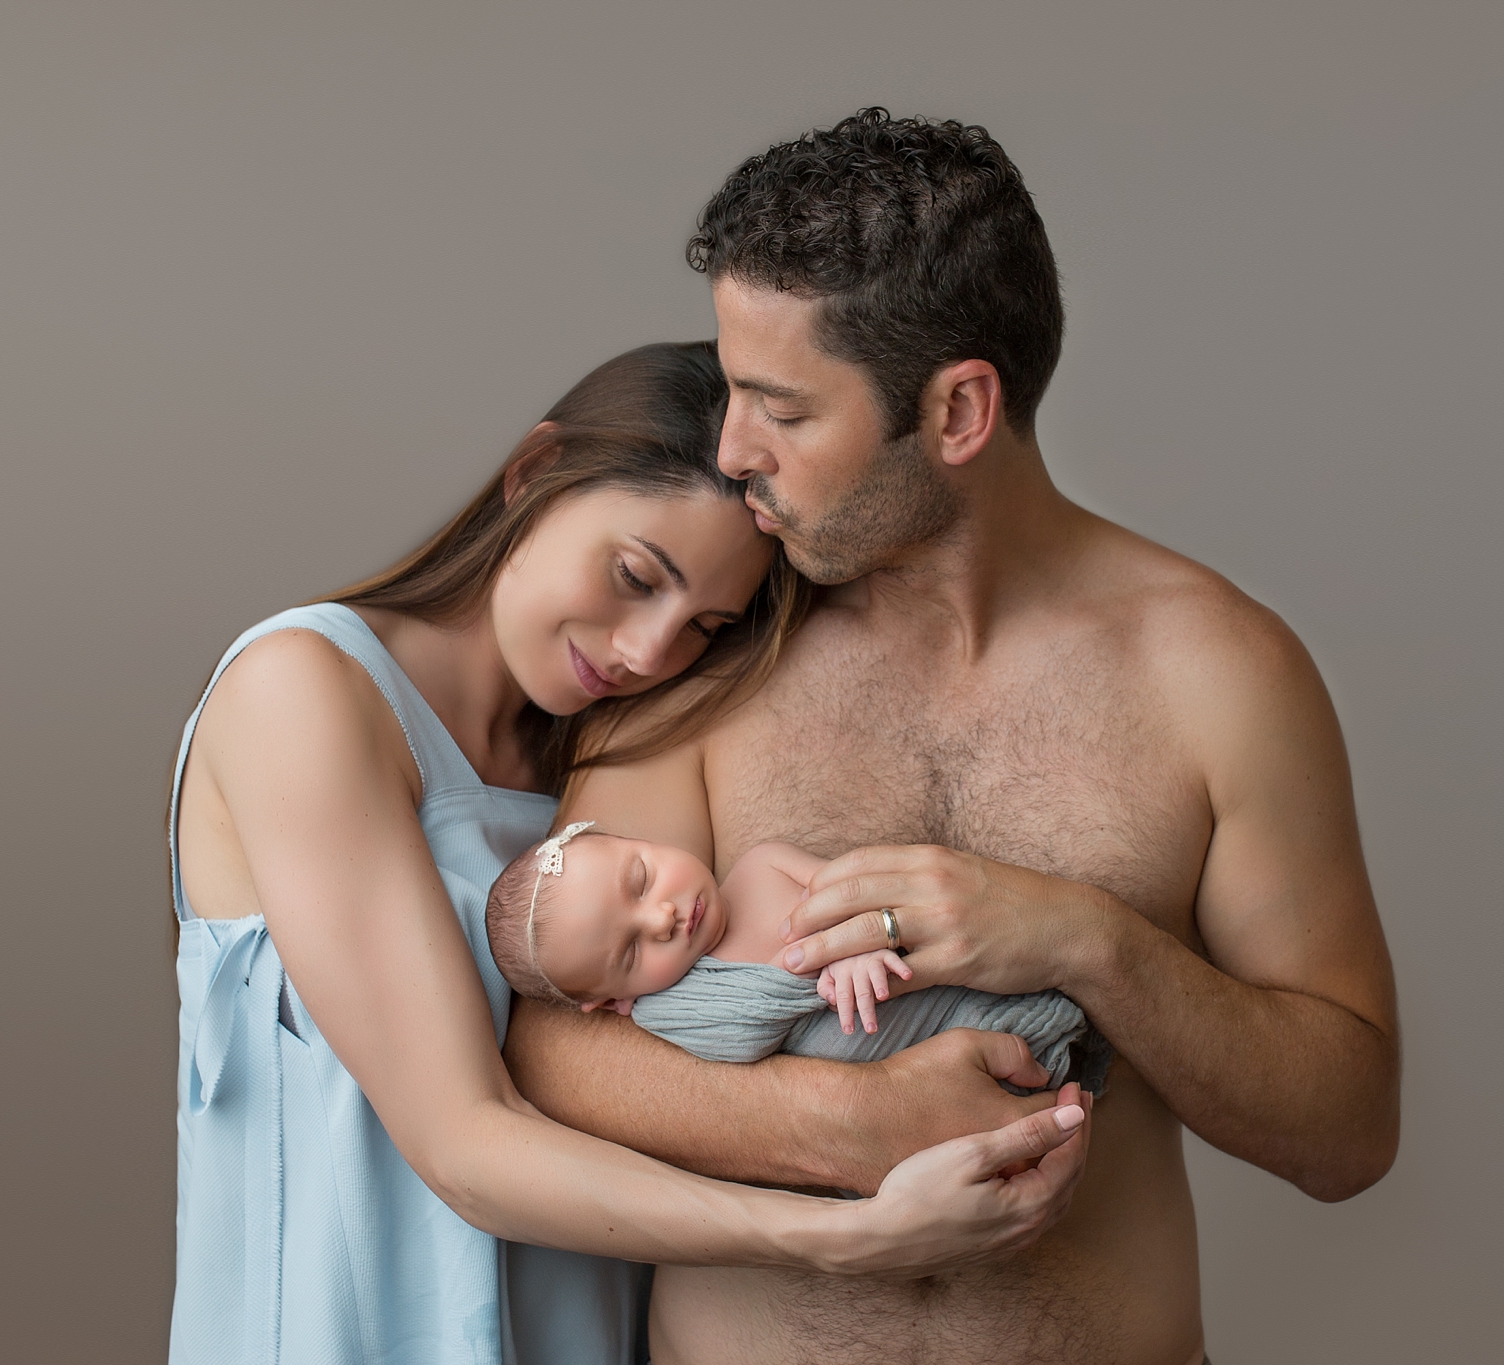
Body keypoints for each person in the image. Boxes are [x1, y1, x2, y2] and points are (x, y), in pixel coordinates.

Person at [505, 112, 1402, 1365]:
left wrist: (1086, 941)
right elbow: (548, 1040)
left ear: (958, 410)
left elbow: (1347, 1131)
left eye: (781, 410)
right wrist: (839, 1121)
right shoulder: (717, 643)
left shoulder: (1218, 675)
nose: (728, 453)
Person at [166, 340, 1091, 1365]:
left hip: (584, 1322)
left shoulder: (599, 750)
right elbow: (463, 1141)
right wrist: (844, 1234)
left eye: (701, 624)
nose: (647, 651)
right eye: (632, 575)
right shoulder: (302, 692)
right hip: (358, 1329)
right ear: (532, 477)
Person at [484, 823, 1104, 1088]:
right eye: (630, 950)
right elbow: (743, 1050)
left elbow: (868, 894)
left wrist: (853, 943)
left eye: (642, 879)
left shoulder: (763, 865)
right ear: (617, 1000)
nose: (663, 917)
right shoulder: (675, 1010)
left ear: (645, 840)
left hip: (947, 992)